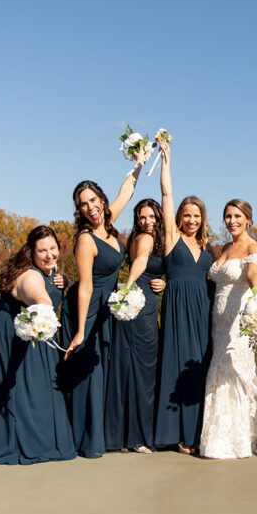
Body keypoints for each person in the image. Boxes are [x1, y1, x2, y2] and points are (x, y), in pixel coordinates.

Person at [59, 155, 144, 458]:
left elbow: (128, 191)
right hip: (87, 308)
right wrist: (81, 330)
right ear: (78, 210)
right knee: (89, 375)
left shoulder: (109, 220)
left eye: (93, 199)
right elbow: (84, 285)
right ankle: (87, 440)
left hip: (108, 307)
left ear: (101, 199)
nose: (90, 207)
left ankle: (105, 436)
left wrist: (139, 161)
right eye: (83, 204)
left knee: (104, 371)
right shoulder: (86, 239)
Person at [0, 225, 75, 464]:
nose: (49, 255)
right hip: (4, 333)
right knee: (17, 388)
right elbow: (39, 295)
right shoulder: (31, 275)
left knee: (38, 383)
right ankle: (13, 439)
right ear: (31, 253)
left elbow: (51, 282)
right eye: (42, 251)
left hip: (28, 332)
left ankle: (41, 436)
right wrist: (45, 308)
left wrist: (64, 281)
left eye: (53, 248)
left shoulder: (51, 269)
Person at [152, 142, 214, 454]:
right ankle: (176, 433)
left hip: (202, 312)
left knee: (199, 367)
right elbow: (166, 196)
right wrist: (167, 161)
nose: (191, 220)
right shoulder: (172, 239)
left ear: (203, 219)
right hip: (177, 309)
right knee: (176, 364)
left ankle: (198, 431)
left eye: (196, 216)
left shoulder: (208, 249)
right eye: (186, 215)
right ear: (179, 217)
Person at [201, 199, 257, 459]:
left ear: (248, 219)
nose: (232, 221)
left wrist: (256, 295)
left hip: (237, 322)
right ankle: (217, 438)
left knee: (236, 371)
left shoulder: (253, 246)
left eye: (237, 216)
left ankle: (239, 440)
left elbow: (254, 272)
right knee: (218, 371)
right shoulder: (225, 246)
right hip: (217, 323)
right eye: (228, 216)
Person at [105, 199, 166, 453]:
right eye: (142, 217)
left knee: (129, 369)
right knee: (144, 371)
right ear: (137, 219)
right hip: (138, 306)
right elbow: (141, 260)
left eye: (152, 217)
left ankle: (122, 435)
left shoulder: (138, 237)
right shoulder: (145, 239)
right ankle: (139, 437)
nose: (147, 222)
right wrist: (129, 286)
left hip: (138, 305)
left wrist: (164, 283)